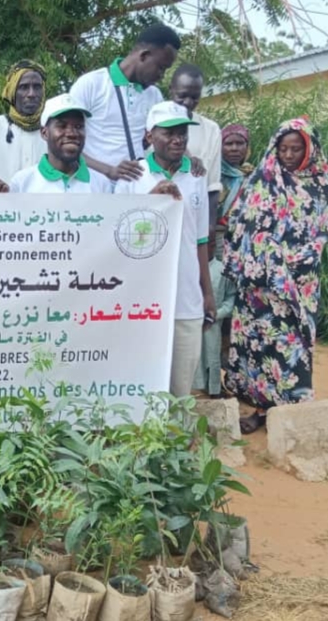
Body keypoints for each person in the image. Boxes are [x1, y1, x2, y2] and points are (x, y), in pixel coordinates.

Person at [223, 118, 328, 434]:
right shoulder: (261, 179)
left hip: (298, 283)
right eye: (283, 148)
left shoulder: (320, 185)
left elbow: (319, 232)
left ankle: (290, 413)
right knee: (259, 346)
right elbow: (240, 224)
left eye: (297, 148)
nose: (289, 155)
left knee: (292, 346)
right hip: (258, 285)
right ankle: (260, 408)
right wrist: (259, 258)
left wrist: (289, 264)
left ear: (309, 149)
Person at [115, 101, 216, 398]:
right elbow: (120, 238)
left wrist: (207, 294)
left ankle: (180, 442)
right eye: (169, 133)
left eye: (182, 132)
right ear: (149, 136)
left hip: (186, 299)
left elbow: (200, 241)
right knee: (144, 383)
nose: (178, 139)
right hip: (141, 302)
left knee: (181, 386)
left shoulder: (196, 176)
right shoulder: (132, 177)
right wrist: (152, 200)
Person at [70, 23, 181, 182]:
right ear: (144, 56)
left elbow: (168, 137)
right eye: (161, 68)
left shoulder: (154, 95)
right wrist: (109, 171)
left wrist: (190, 159)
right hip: (93, 188)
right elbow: (66, 145)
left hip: (134, 189)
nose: (162, 76)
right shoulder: (91, 84)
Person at [9, 93, 112, 194]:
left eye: (79, 126)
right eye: (62, 126)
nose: (72, 134)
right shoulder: (22, 183)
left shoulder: (101, 185)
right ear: (44, 133)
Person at [169, 64, 222, 231]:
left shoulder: (210, 129)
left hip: (194, 217)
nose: (188, 102)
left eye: (195, 97)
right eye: (182, 96)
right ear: (171, 90)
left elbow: (212, 184)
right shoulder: (152, 124)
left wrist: (210, 225)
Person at [0, 60, 47, 183]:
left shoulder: (52, 131)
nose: (31, 94)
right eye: (24, 87)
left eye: (37, 87)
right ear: (12, 91)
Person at [193, 235, 235, 398]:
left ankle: (214, 390)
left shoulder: (222, 270)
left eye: (209, 245)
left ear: (213, 246)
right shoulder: (190, 268)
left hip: (213, 323)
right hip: (192, 322)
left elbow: (231, 297)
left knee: (212, 356)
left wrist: (218, 314)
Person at [216, 123, 255, 259]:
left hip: (245, 240)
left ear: (247, 147)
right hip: (216, 240)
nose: (234, 148)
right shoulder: (212, 174)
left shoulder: (253, 176)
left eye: (240, 143)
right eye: (228, 143)